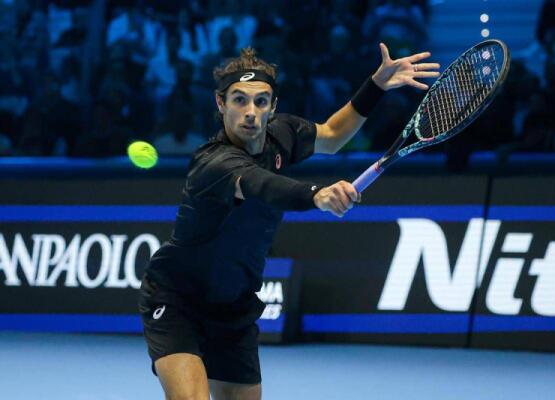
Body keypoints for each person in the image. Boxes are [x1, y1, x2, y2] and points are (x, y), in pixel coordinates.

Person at [139, 45, 439, 400]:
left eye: (261, 102)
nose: (251, 112)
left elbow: (332, 134)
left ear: (273, 107)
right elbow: (262, 184)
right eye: (239, 100)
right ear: (220, 104)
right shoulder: (214, 163)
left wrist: (375, 85)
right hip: (178, 300)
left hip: (234, 305)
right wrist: (317, 195)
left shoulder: (282, 135)